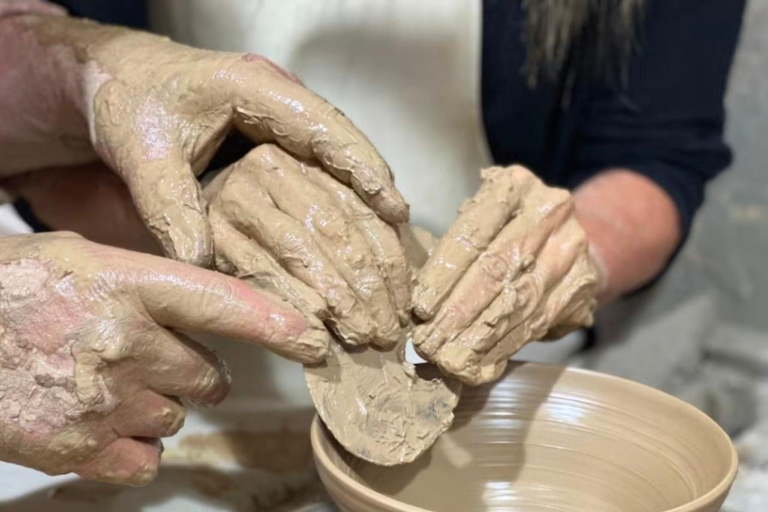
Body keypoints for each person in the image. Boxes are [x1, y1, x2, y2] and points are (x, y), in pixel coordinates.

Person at [0, 0, 744, 485]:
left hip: (495, 354)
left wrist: (573, 250)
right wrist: (190, 204)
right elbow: (35, 160)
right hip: (160, 364)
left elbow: (656, 152)